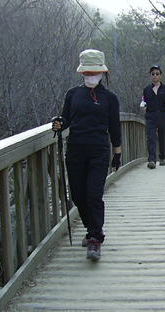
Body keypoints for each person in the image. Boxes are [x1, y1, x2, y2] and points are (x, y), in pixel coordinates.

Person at [51, 49, 121, 261]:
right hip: (76, 151)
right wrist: (59, 123)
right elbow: (66, 118)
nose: (90, 76)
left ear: (102, 73)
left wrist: (117, 153)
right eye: (86, 72)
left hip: (99, 151)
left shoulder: (110, 98)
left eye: (94, 72)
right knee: (79, 196)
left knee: (93, 195)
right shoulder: (73, 94)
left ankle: (94, 238)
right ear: (82, 73)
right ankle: (91, 228)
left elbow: (115, 127)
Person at [140, 65, 165, 168]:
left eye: (157, 74)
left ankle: (162, 156)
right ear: (150, 76)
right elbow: (143, 99)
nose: (155, 76)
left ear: (160, 75)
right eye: (153, 74)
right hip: (150, 115)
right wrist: (143, 103)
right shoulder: (146, 89)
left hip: (162, 114)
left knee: (162, 137)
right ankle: (152, 159)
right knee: (151, 137)